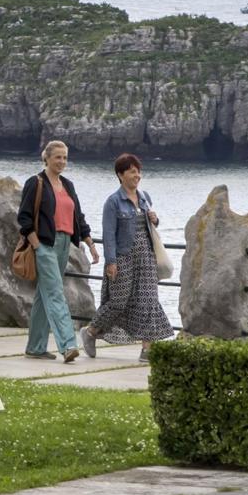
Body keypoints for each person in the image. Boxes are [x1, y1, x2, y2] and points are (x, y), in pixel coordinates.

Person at [81, 153, 173, 362]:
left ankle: (147, 350)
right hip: (124, 258)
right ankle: (91, 332)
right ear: (120, 175)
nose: (137, 175)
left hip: (147, 259)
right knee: (118, 303)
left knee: (149, 300)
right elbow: (108, 234)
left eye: (138, 171)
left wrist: (155, 219)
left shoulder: (144, 197)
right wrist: (111, 262)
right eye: (132, 171)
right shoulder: (113, 202)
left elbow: (150, 226)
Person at [17, 140, 99, 363]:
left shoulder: (68, 185)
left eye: (65, 157)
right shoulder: (35, 183)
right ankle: (68, 345)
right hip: (44, 245)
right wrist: (36, 245)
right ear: (47, 158)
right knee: (55, 293)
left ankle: (35, 347)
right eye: (57, 157)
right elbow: (23, 217)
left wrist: (90, 244)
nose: (62, 161)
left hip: (65, 245)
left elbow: (78, 218)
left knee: (44, 297)